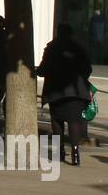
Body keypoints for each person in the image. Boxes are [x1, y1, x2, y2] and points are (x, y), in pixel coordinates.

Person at [36, 24, 93, 166]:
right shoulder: (78, 48)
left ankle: (59, 152)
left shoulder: (51, 48)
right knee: (74, 121)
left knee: (57, 121)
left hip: (56, 90)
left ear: (57, 32)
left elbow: (43, 69)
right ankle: (75, 154)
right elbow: (88, 68)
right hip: (76, 90)